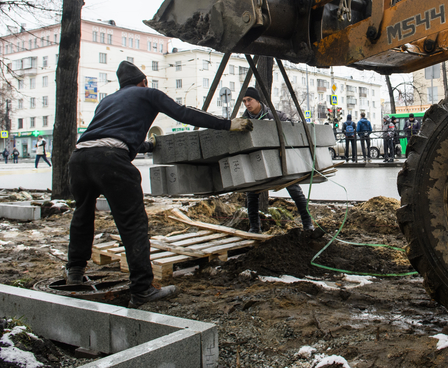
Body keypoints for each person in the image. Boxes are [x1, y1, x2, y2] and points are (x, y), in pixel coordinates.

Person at [66, 61, 253, 308]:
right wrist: (228, 124)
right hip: (111, 162)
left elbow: (110, 135)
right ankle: (142, 289)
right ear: (143, 81)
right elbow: (183, 112)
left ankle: (75, 272)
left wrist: (149, 146)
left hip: (79, 159)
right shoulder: (148, 93)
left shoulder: (107, 101)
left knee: (82, 213)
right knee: (133, 223)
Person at [240, 87, 314, 233]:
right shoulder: (243, 121)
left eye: (249, 100)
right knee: (251, 193)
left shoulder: (275, 115)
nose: (247, 104)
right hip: (257, 162)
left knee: (294, 189)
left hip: (280, 161)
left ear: (258, 100)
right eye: (244, 101)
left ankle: (308, 223)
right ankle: (255, 228)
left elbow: (292, 128)